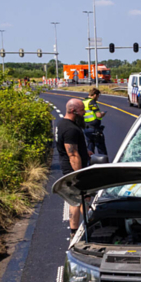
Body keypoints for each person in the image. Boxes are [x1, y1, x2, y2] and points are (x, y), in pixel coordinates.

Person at [56, 98, 91, 237]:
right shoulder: (70, 129)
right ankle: (89, 225)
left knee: (75, 200)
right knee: (81, 199)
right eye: (82, 110)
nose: (84, 113)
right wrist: (79, 175)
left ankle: (75, 230)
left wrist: (85, 152)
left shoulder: (63, 124)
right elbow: (72, 154)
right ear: (73, 111)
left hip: (69, 167)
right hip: (73, 169)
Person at [83, 88, 108, 156]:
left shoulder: (84, 102)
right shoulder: (92, 102)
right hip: (94, 128)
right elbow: (98, 115)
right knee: (101, 148)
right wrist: (103, 113)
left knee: (90, 147)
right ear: (94, 95)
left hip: (86, 128)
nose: (97, 98)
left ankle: (90, 164)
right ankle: (104, 165)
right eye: (97, 96)